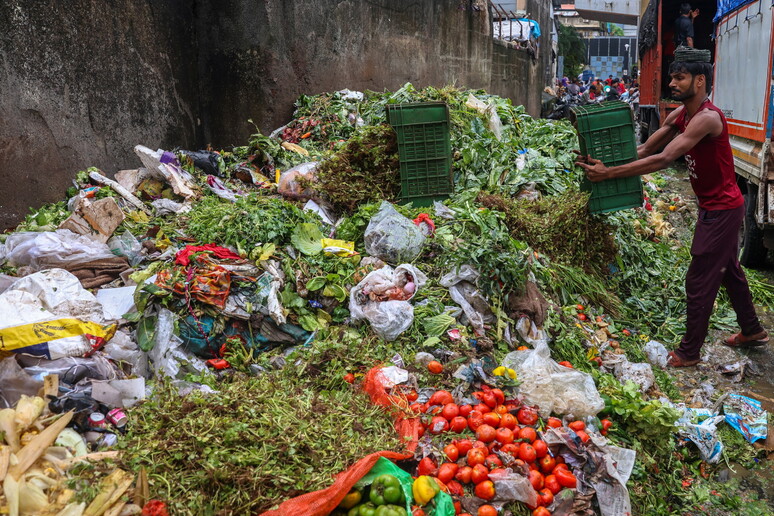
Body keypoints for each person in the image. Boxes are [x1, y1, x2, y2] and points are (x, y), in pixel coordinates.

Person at [575, 49, 768, 367]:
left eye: (680, 77)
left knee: (699, 279)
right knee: (729, 271)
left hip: (722, 210)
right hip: (715, 207)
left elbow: (665, 159)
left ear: (700, 80)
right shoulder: (680, 115)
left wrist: (608, 174)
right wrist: (603, 162)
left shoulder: (707, 118)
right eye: (673, 76)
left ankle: (689, 352)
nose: (672, 82)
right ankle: (752, 330)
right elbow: (646, 148)